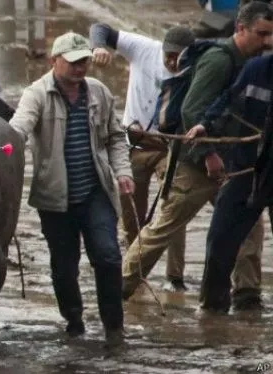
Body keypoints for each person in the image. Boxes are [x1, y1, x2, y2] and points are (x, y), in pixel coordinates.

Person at [121, 1, 273, 311]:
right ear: (240, 29)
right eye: (261, 34)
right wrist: (208, 155)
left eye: (271, 35)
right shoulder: (219, 60)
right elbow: (192, 109)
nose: (267, 42)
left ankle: (245, 295)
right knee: (165, 227)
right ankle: (116, 288)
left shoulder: (250, 62)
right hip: (199, 163)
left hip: (233, 163)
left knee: (247, 227)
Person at [9, 32, 134, 347]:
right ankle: (74, 321)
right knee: (64, 268)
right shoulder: (37, 94)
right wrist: (7, 146)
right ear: (54, 61)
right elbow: (20, 127)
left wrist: (122, 171)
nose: (80, 68)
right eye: (74, 62)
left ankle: (114, 327)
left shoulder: (99, 93)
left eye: (84, 62)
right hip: (55, 198)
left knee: (107, 257)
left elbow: (116, 137)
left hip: (95, 191)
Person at [90, 24, 196, 291]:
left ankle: (175, 277)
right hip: (134, 142)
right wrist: (99, 47)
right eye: (168, 56)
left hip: (170, 146)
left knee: (174, 205)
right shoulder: (143, 48)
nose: (172, 62)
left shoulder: (197, 68)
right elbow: (101, 28)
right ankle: (136, 270)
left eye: (178, 58)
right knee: (130, 210)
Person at [185, 51, 273, 312]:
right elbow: (228, 101)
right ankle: (213, 309)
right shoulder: (257, 69)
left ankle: (248, 297)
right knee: (220, 238)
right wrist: (206, 125)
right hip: (248, 168)